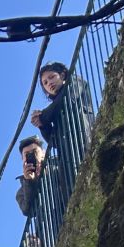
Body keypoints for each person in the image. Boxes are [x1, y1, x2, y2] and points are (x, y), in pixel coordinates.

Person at [30, 62, 95, 212]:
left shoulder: (76, 83)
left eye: (52, 77)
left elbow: (67, 99)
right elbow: (54, 140)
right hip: (67, 154)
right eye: (45, 83)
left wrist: (43, 116)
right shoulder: (54, 111)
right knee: (73, 194)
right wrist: (42, 125)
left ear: (63, 75)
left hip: (83, 139)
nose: (49, 83)